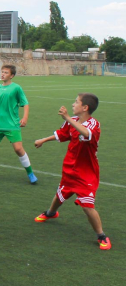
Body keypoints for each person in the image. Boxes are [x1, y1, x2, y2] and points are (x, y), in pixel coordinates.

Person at [33, 93, 110, 250]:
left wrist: (68, 118)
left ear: (85, 107)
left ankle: (101, 235)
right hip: (69, 168)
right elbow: (62, 134)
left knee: (87, 206)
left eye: (76, 102)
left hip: (86, 173)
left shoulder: (93, 125)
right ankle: (51, 213)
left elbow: (86, 134)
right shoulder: (73, 121)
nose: (73, 104)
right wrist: (44, 140)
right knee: (60, 194)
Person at [0, 65, 37, 184]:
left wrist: (25, 118)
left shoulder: (16, 88)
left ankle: (30, 173)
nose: (3, 74)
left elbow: (25, 103)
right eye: (2, 72)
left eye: (6, 72)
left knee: (18, 149)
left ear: (12, 75)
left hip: (12, 124)